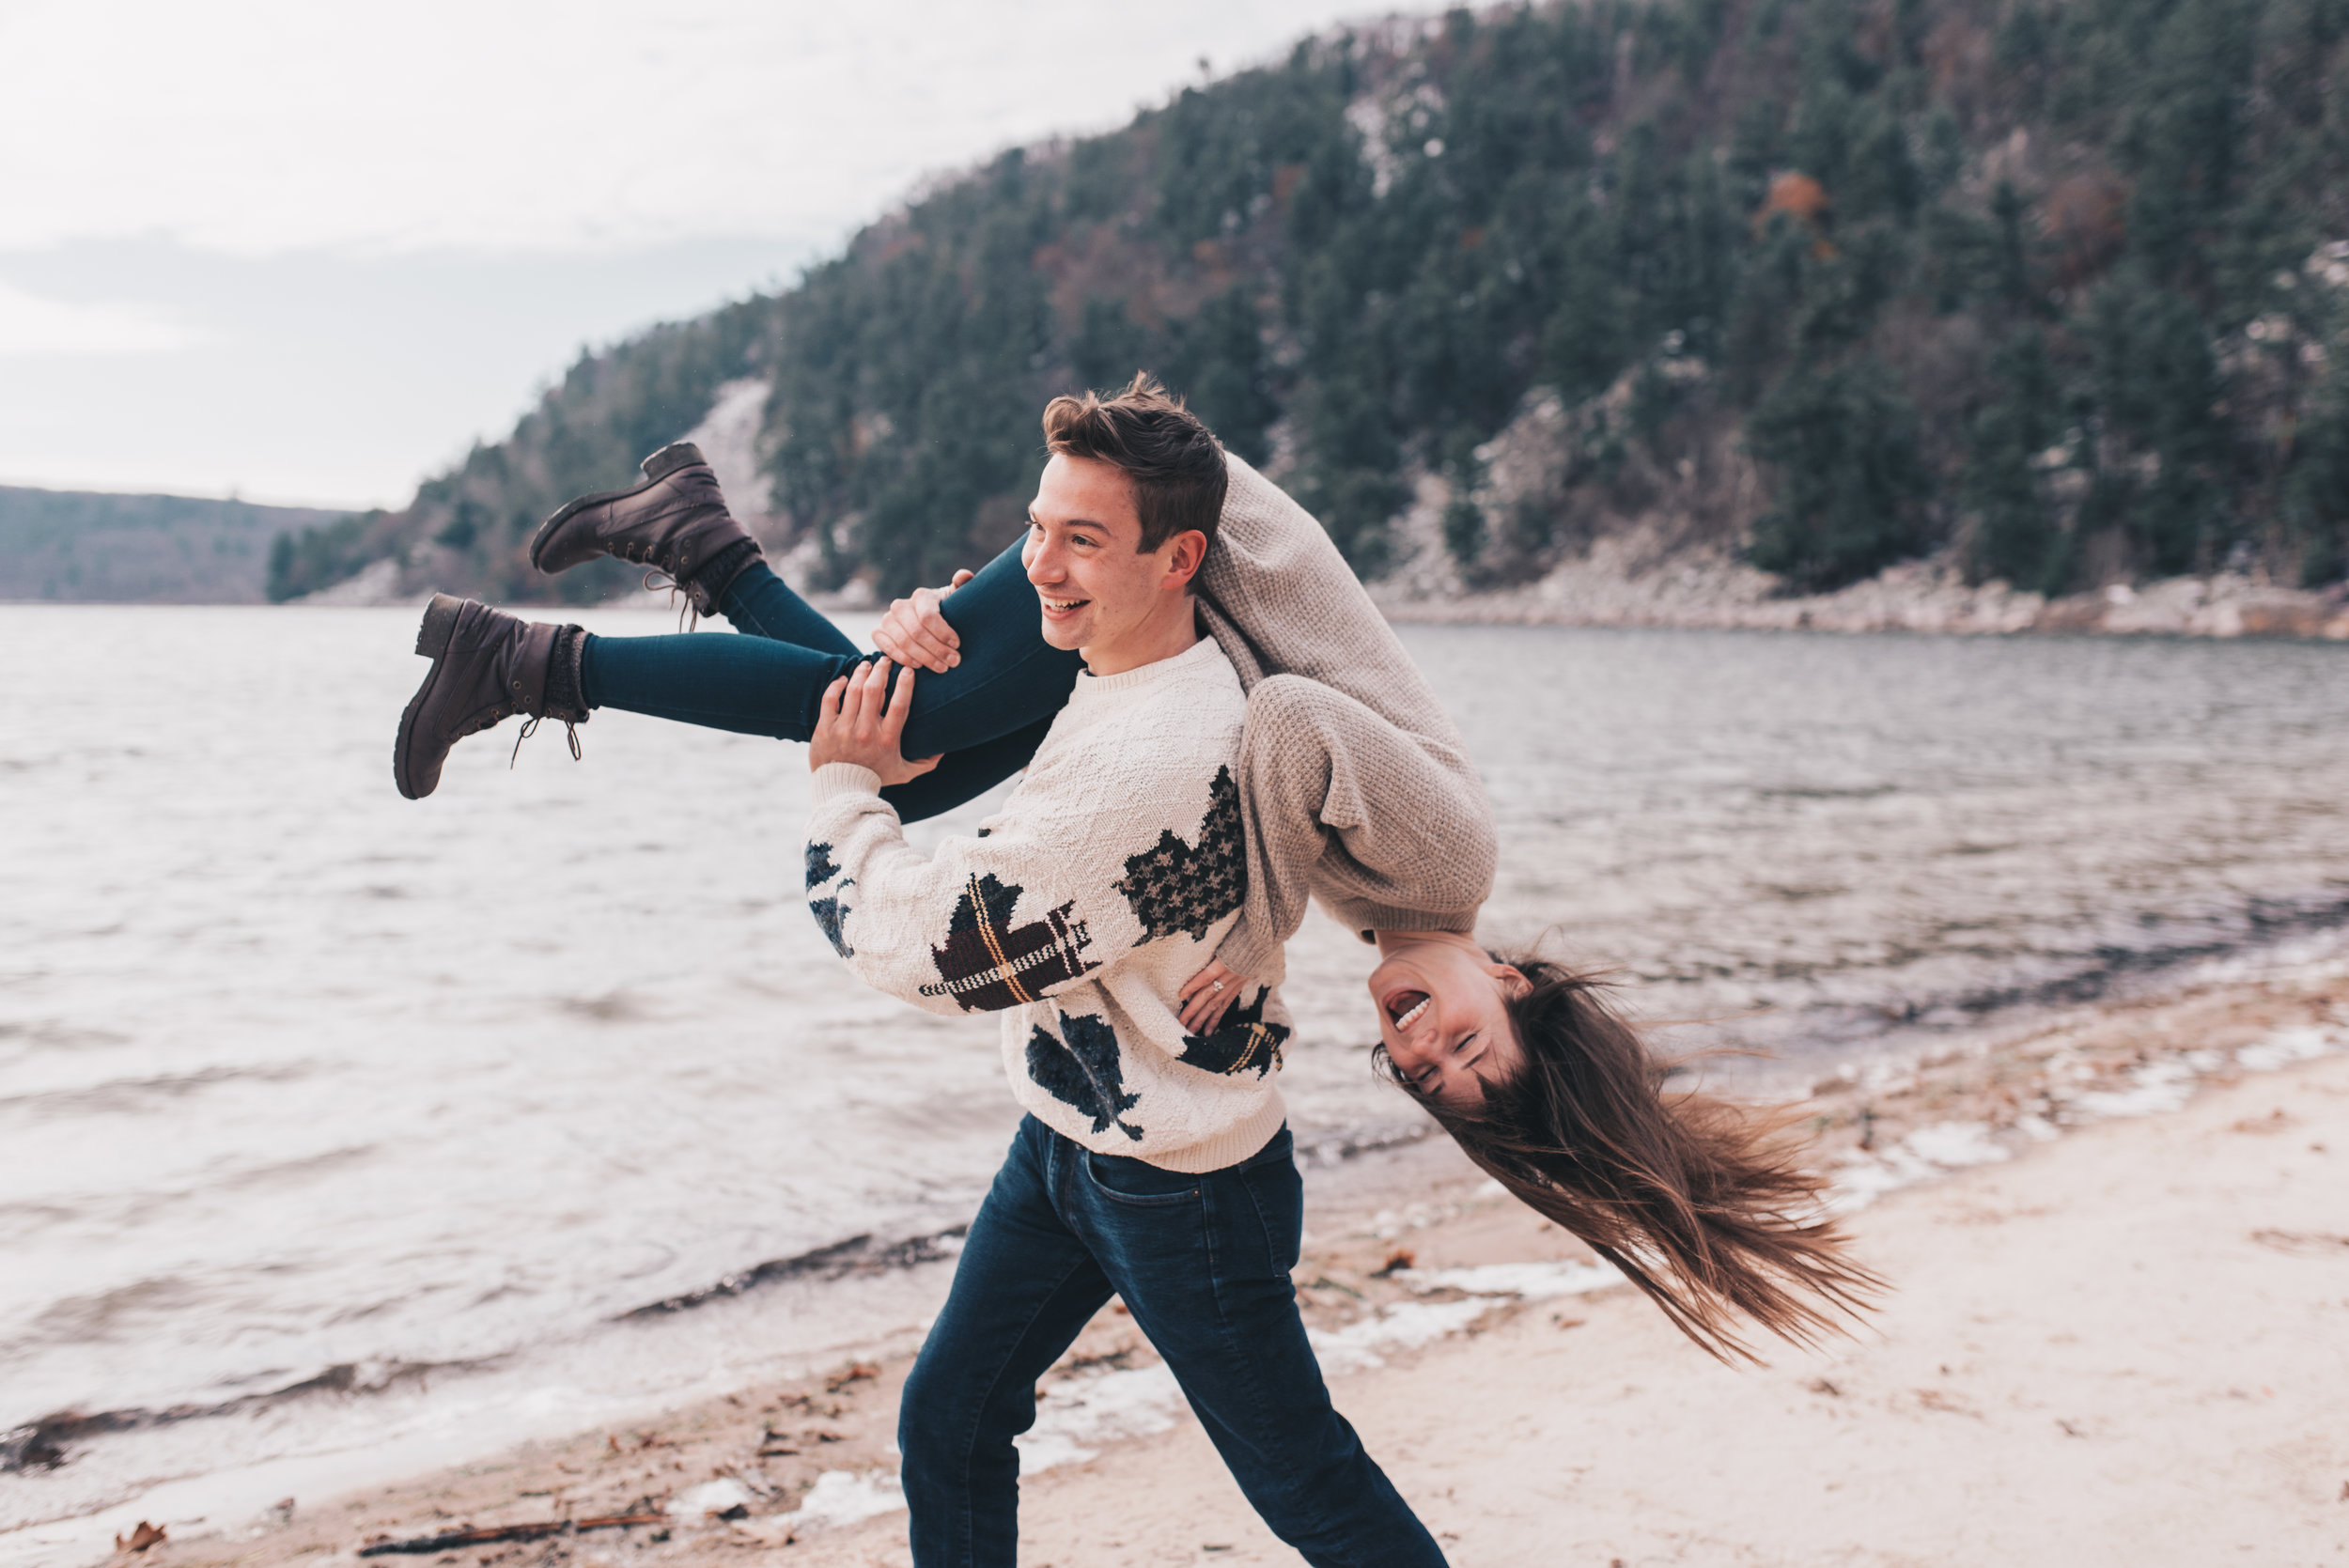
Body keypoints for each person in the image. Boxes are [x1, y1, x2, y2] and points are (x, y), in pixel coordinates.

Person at [395, 375, 1877, 1373]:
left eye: (1419, 1064)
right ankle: (526, 657)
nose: (1418, 1033)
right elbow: (1289, 726)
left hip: (1191, 590)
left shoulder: (1413, 908)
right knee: (898, 732)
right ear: (1520, 980)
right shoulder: (1450, 865)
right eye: (1465, 1035)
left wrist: (1261, 915)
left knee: (904, 739)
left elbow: (1276, 760)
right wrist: (1255, 921)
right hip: (1197, 542)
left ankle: (697, 546)